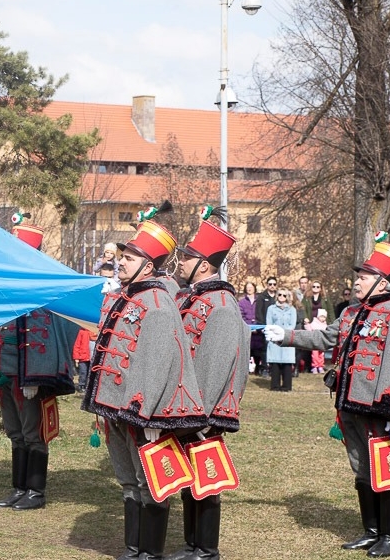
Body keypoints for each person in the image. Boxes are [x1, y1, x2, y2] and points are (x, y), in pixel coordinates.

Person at [266, 238, 390, 557]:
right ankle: (371, 531)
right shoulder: (352, 312)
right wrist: (287, 336)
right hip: (350, 404)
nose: (356, 281)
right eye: (358, 276)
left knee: (385, 470)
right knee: (361, 468)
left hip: (380, 410)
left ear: (382, 282)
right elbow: (326, 337)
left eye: (363, 277)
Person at [82, 220, 206, 560]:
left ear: (149, 266)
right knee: (128, 480)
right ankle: (133, 547)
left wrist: (149, 411)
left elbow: (160, 360)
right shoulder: (124, 297)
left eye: (131, 258)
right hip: (114, 405)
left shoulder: (157, 302)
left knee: (150, 482)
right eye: (123, 256)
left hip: (140, 409)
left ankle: (150, 552)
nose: (121, 262)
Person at [169, 208, 250, 560]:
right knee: (190, 479)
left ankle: (206, 548)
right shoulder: (193, 297)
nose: (181, 262)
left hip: (204, 408)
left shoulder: (220, 304)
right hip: (186, 405)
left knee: (205, 479)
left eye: (187, 257)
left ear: (204, 264)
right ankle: (191, 544)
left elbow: (217, 365)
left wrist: (200, 414)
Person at [0, 216, 79, 511]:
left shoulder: (43, 288)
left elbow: (48, 334)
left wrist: (37, 375)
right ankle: (19, 487)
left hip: (31, 373)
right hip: (6, 371)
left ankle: (36, 491)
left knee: (33, 434)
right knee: (15, 432)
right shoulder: (6, 286)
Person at [265, 288, 297, 391]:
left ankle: (287, 386)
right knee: (275, 363)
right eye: (280, 295)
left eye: (284, 295)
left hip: (286, 337)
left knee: (287, 363)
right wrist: (274, 333)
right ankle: (275, 385)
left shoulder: (292, 309)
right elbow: (269, 322)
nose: (282, 297)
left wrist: (283, 333)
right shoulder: (271, 309)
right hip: (274, 338)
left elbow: (292, 324)